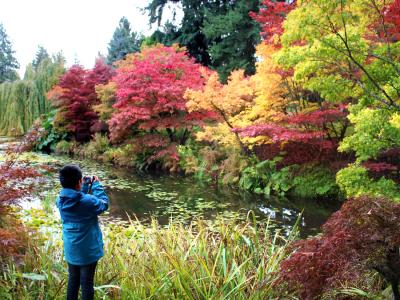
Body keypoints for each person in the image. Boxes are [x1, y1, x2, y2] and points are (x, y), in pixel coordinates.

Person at [56, 164, 109, 300]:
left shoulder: (60, 201)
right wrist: (96, 185)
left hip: (71, 249)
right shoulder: (88, 202)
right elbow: (104, 204)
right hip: (88, 251)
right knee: (87, 284)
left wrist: (84, 186)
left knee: (73, 280)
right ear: (79, 181)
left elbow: (78, 199)